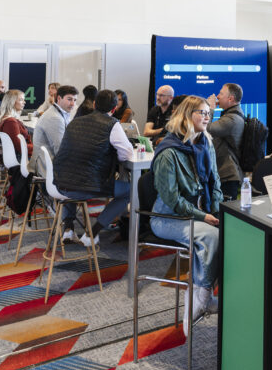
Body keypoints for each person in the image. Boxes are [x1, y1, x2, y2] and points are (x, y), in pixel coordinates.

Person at [150, 95, 222, 336]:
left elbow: (216, 183)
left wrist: (217, 210)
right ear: (186, 115)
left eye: (207, 113)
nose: (206, 117)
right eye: (201, 113)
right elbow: (172, 199)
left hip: (199, 213)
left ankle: (201, 294)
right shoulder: (168, 152)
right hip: (168, 218)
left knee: (231, 231)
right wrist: (203, 216)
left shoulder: (206, 143)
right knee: (212, 237)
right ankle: (203, 298)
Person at [53, 89, 135, 246]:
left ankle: (68, 229)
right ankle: (93, 232)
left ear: (95, 104)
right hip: (86, 185)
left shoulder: (74, 121)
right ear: (114, 109)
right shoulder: (112, 124)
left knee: (74, 172)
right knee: (129, 191)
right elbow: (126, 153)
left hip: (59, 183)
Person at [206, 83, 246, 199]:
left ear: (230, 98)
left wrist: (210, 109)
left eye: (221, 94)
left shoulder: (231, 119)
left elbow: (206, 128)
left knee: (224, 215)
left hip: (227, 175)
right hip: (224, 172)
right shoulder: (230, 115)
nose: (217, 96)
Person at [33, 84, 78, 159]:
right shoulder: (55, 118)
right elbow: (60, 151)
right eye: (69, 99)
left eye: (75, 100)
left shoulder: (57, 112)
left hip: (46, 159)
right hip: (47, 166)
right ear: (59, 98)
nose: (73, 104)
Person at [0, 89, 33, 160]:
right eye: (21, 100)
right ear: (11, 102)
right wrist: (38, 148)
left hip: (20, 156)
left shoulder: (7, 119)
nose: (24, 102)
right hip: (22, 158)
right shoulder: (10, 122)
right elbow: (19, 146)